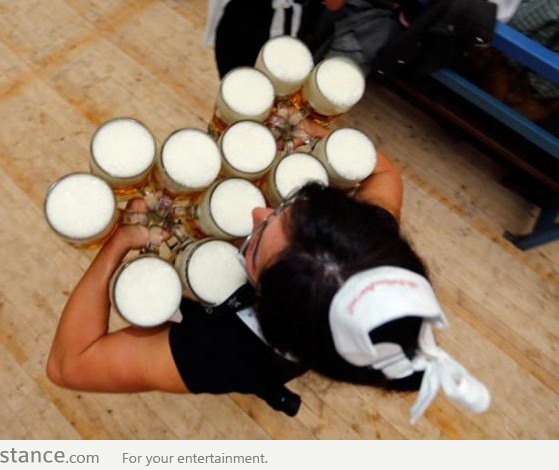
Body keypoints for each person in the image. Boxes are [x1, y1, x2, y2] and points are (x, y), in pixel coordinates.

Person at [46, 123, 490, 422]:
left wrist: (117, 245)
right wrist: (323, 134)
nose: (256, 210)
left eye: (255, 243)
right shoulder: (360, 244)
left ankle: (267, 386)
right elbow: (385, 172)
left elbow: (69, 365)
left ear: (266, 309)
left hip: (256, 358)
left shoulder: (224, 351)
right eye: (285, 209)